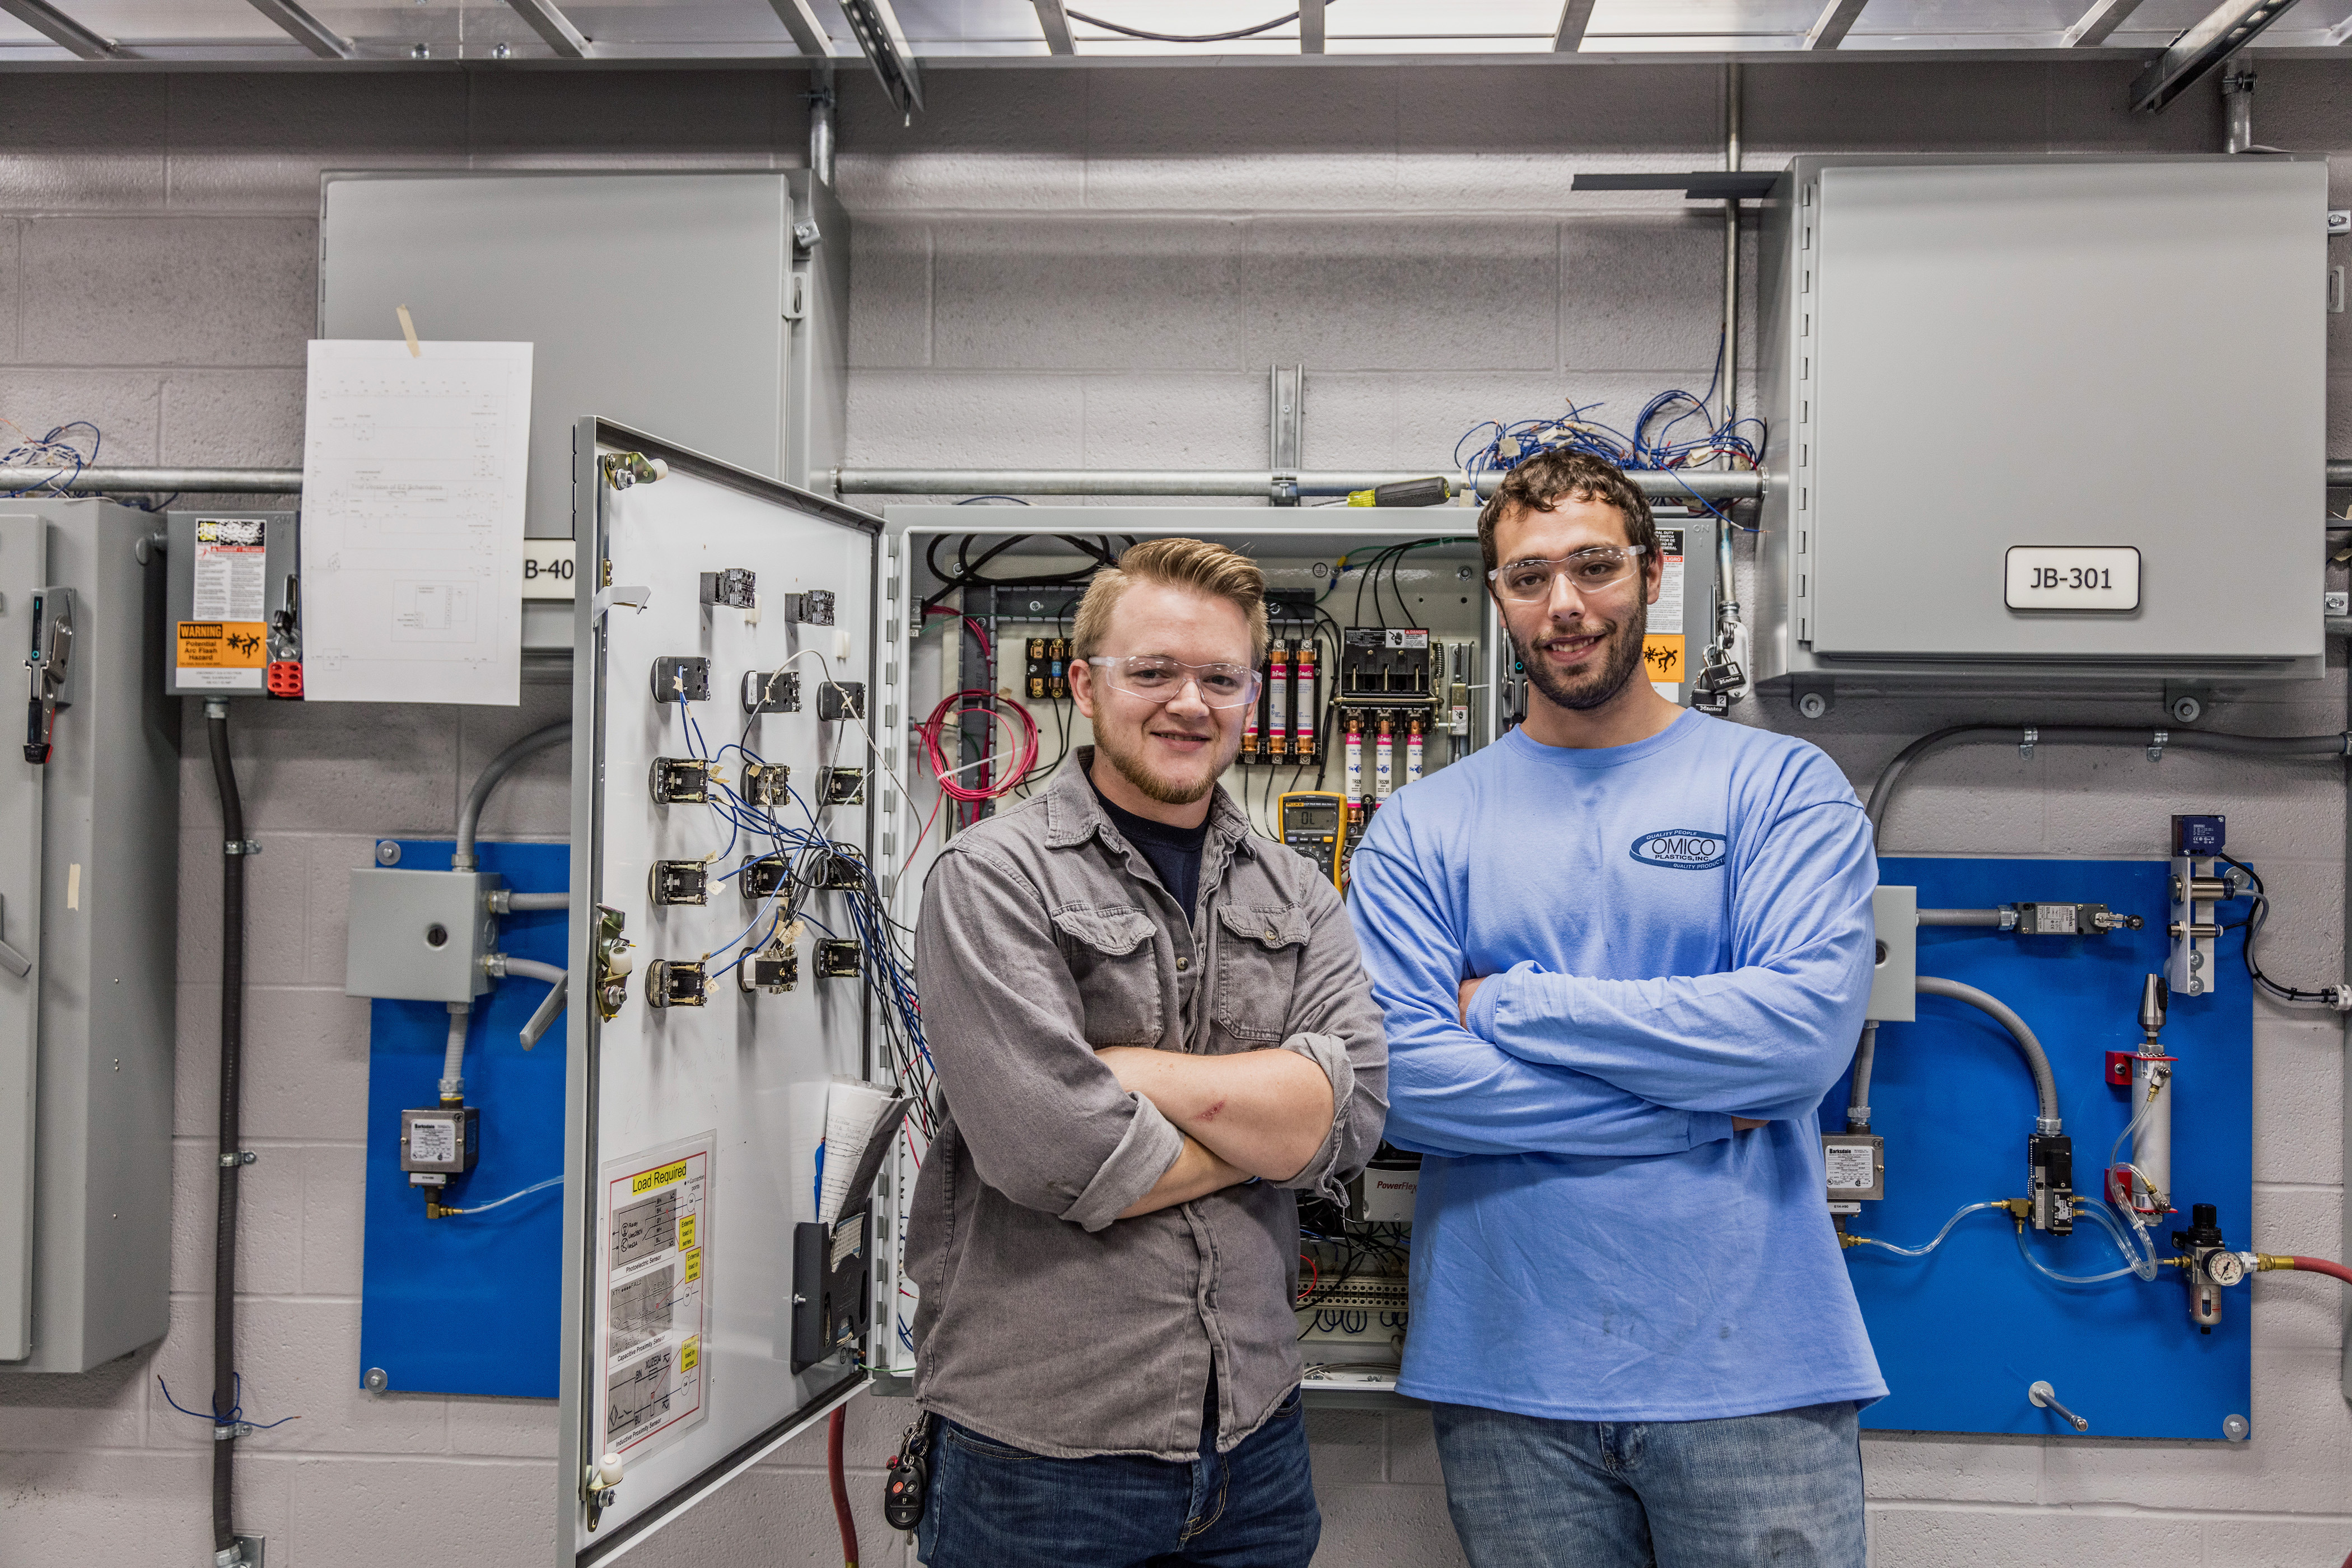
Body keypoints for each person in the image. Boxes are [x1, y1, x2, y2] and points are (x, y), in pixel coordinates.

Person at [1346, 449, 1883, 1567]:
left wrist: (1510, 1002)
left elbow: (1793, 1043)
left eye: (1594, 566)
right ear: (1498, 597)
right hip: (1509, 1373)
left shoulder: (1781, 788)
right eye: (1529, 576)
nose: (1566, 604)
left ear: (1650, 572)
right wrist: (1698, 1110)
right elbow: (1405, 1083)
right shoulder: (1421, 828)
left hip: (1753, 1372)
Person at [908, 536, 1388, 1568]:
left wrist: (1127, 1075)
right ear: (1086, 686)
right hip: (1040, 1459)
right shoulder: (993, 877)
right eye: (1154, 671)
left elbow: (1353, 1121)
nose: (1189, 703)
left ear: (1253, 696)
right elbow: (1052, 1153)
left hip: (1256, 1444)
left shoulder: (1297, 891)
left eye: (1221, 677)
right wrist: (1272, 1136)